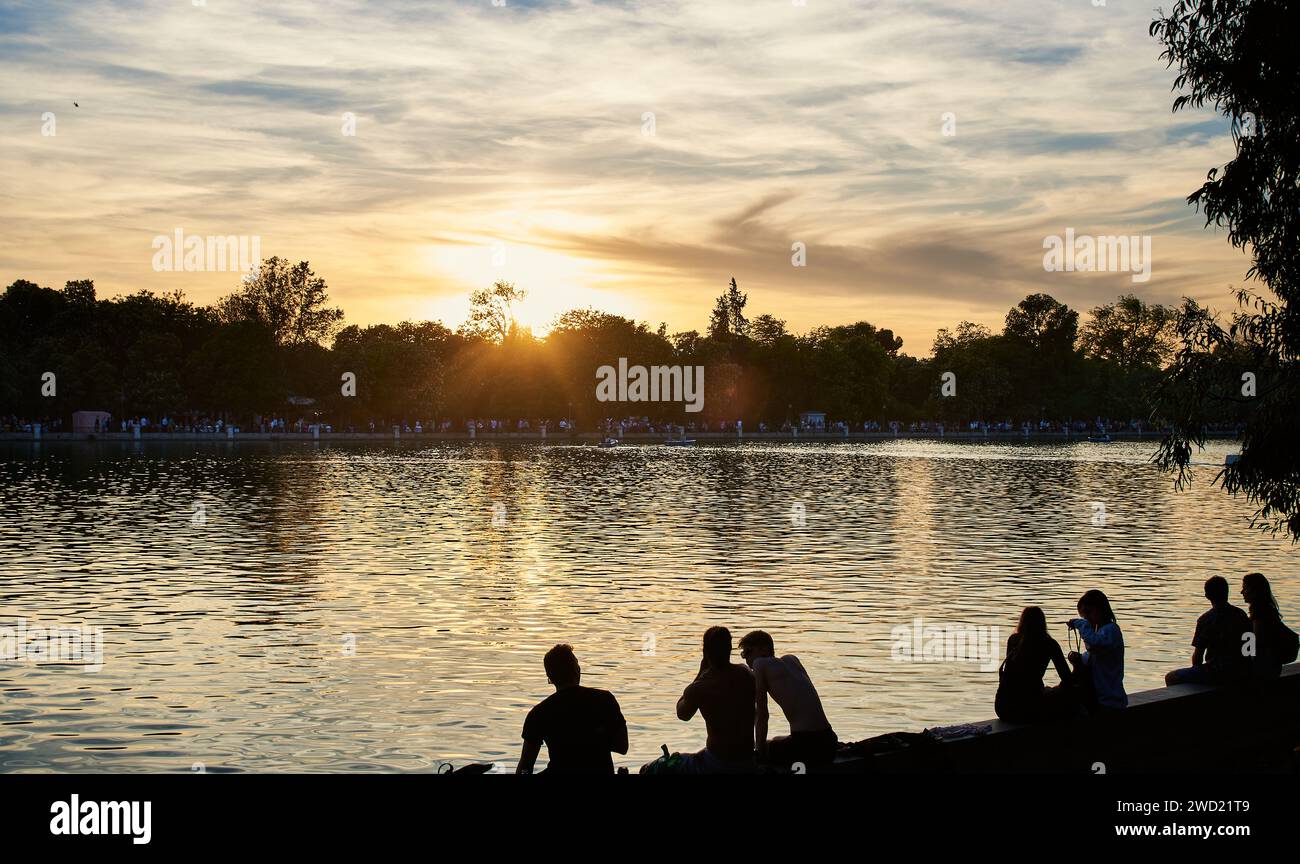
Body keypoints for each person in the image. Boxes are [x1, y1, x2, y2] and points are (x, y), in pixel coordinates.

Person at [654, 626, 755, 773]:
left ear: (705, 652)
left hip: (718, 762)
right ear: (730, 648)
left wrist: (700, 672)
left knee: (658, 767)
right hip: (747, 760)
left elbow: (682, 714)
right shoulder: (746, 674)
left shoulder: (700, 687)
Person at [516, 644, 627, 774]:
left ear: (550, 678)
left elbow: (525, 766)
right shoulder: (605, 700)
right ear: (576, 670)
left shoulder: (539, 713)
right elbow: (622, 747)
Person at [738, 630, 837, 768]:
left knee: (763, 745)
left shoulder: (760, 664)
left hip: (806, 745)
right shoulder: (792, 660)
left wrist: (760, 756)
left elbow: (762, 716)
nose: (746, 658)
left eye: (747, 652)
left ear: (763, 649)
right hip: (829, 740)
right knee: (777, 739)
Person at [1164, 576, 1252, 686]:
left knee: (1170, 677)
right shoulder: (1241, 615)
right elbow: (1249, 648)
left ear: (1207, 596)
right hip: (1241, 670)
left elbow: (1198, 657)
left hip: (1216, 672)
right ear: (1227, 592)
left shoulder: (1206, 619)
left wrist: (1197, 674)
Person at [995, 606, 1074, 722]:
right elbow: (1067, 679)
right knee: (1069, 696)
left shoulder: (1013, 640)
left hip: (1003, 707)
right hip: (1030, 708)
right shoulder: (1049, 644)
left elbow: (1011, 674)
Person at [1067, 589, 1127, 711]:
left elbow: (1095, 645)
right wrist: (1079, 658)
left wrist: (1081, 624)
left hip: (1109, 700)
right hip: (1102, 698)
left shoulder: (1111, 630)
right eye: (1084, 617)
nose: (1088, 620)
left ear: (1099, 609)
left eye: (1088, 614)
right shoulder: (1101, 632)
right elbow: (1096, 654)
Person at [1242, 572, 1294, 680]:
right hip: (1273, 664)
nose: (1242, 592)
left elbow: (1257, 641)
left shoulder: (1259, 613)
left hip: (1264, 667)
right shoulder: (1269, 609)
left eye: (1245, 589)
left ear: (1255, 591)